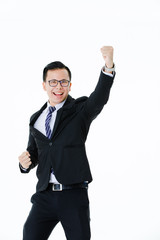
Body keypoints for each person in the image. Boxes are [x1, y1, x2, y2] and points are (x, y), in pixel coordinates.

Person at [18, 46, 115, 240]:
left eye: (63, 82)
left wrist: (108, 66)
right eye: (53, 82)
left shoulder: (79, 111)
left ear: (70, 85)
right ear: (44, 85)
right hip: (44, 195)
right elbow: (34, 153)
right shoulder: (36, 118)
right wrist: (24, 163)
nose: (58, 87)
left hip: (73, 195)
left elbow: (99, 98)